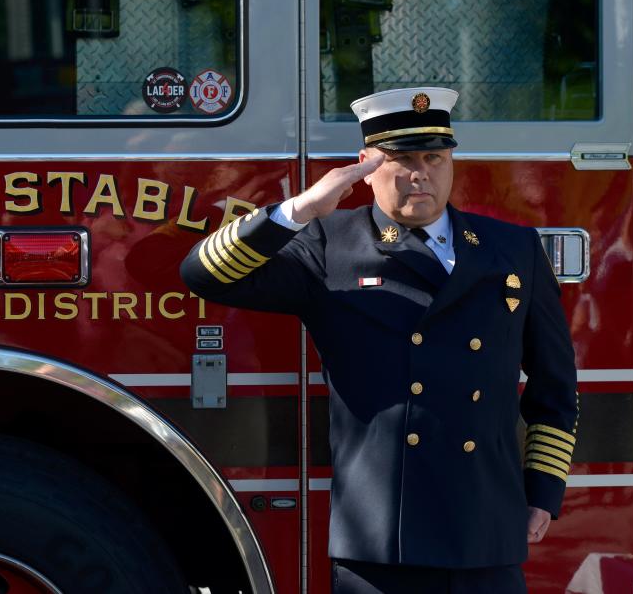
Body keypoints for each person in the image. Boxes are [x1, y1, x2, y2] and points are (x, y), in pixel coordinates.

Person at [180, 87, 578, 594]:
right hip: (382, 537)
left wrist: (543, 491)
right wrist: (300, 210)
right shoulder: (329, 245)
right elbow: (203, 274)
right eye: (403, 159)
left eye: (434, 157)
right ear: (366, 165)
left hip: (486, 528)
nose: (421, 173)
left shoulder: (511, 248)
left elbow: (556, 385)